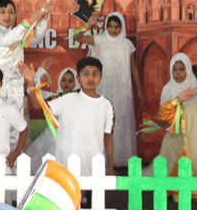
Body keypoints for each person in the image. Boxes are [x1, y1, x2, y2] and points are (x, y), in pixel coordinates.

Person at [20, 57, 115, 175]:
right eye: (86, 74)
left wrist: (110, 165)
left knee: (92, 194)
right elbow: (38, 105)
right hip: (67, 167)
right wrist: (30, 82)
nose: (90, 78)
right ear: (79, 78)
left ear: (100, 78)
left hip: (94, 168)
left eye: (95, 74)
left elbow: (108, 136)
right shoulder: (67, 97)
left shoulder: (106, 105)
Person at [74, 11, 141, 166]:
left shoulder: (127, 44)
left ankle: (120, 160)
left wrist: (139, 90)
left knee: (121, 123)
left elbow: (134, 68)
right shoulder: (100, 40)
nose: (113, 29)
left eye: (117, 27)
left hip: (122, 90)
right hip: (103, 89)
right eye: (110, 26)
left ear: (122, 27)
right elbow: (77, 37)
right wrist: (89, 24)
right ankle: (102, 161)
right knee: (104, 123)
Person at [22, 59, 77, 170]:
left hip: (74, 142)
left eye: (71, 80)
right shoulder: (52, 97)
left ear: (77, 82)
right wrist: (41, 71)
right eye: (64, 80)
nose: (67, 84)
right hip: (50, 142)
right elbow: (31, 90)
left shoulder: (80, 100)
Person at [157, 52, 197, 167]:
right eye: (174, 69)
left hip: (194, 134)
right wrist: (178, 101)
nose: (178, 73)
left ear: (188, 69)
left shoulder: (196, 89)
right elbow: (161, 119)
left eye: (182, 69)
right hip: (175, 134)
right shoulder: (167, 89)